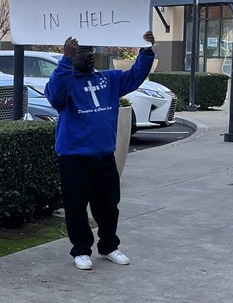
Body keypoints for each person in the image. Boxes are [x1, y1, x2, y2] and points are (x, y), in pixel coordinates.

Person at [45, 32, 155, 271]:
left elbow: (135, 76)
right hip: (74, 157)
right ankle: (81, 250)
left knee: (108, 205)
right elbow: (55, 97)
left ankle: (108, 246)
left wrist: (145, 51)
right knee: (76, 207)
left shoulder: (109, 79)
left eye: (91, 51)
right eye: (83, 52)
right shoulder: (65, 81)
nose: (90, 55)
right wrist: (64, 63)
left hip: (104, 156)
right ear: (72, 56)